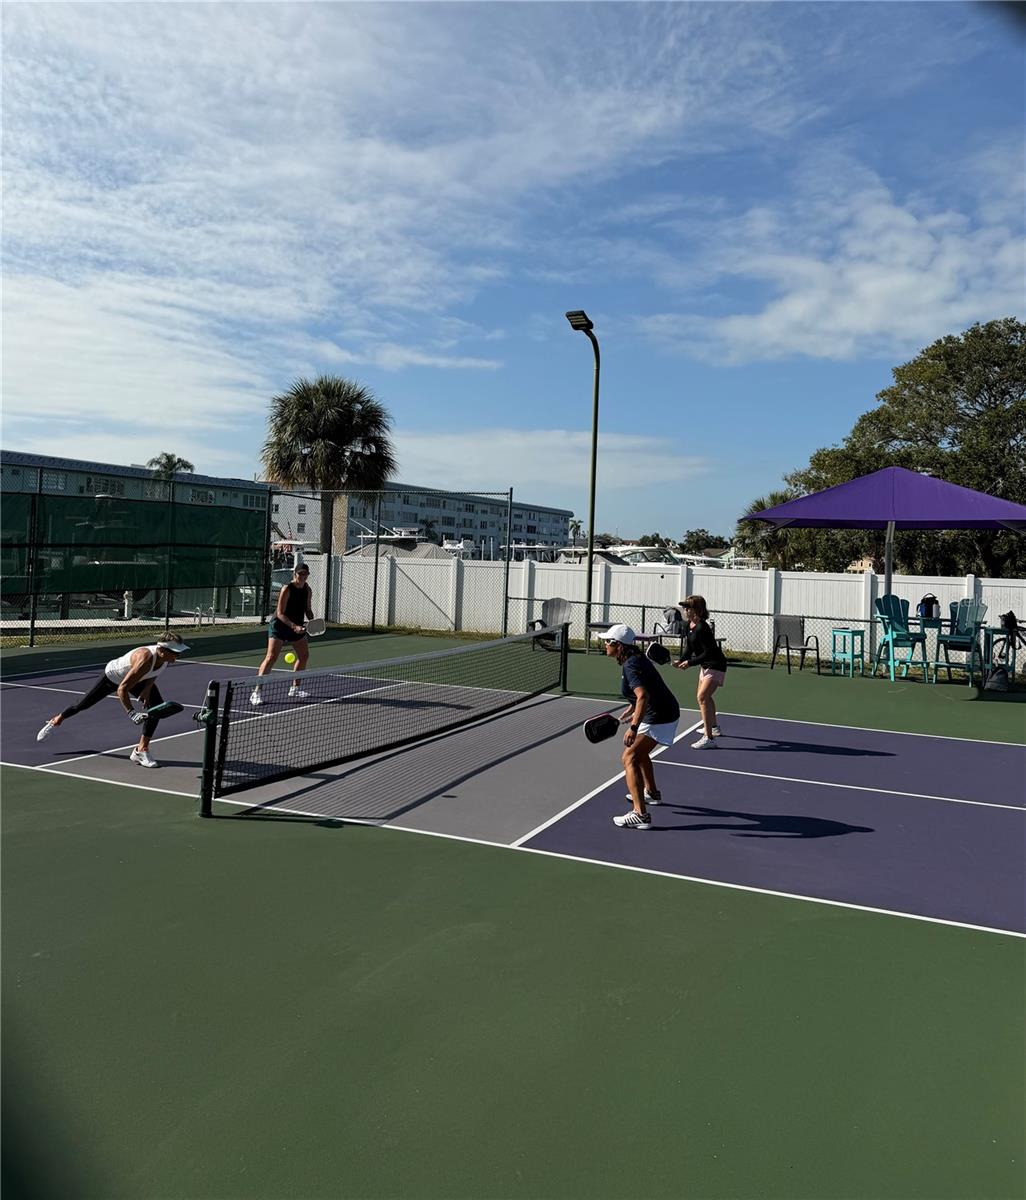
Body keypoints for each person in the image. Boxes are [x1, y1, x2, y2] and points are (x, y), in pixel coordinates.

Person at [35, 632, 189, 768]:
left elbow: (154, 673)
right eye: (175, 652)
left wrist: (147, 689)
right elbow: (122, 689)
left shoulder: (165, 659)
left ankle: (141, 750)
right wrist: (131, 712)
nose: (177, 656)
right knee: (82, 704)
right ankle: (56, 720)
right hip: (112, 678)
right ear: (161, 650)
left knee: (157, 707)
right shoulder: (145, 659)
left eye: (179, 653)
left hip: (138, 679)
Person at [603, 624, 680, 830]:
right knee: (640, 754)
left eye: (607, 641)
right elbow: (645, 691)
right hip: (660, 712)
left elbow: (643, 695)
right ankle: (652, 793)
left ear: (617, 645)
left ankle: (640, 814)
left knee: (629, 758)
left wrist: (634, 727)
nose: (604, 644)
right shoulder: (635, 659)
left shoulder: (630, 665)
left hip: (659, 717)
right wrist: (632, 709)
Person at [251, 562, 314, 706]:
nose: (303, 577)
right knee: (271, 657)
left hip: (297, 626)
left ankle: (295, 688)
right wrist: (294, 626)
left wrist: (313, 622)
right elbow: (280, 613)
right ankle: (256, 692)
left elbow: (308, 609)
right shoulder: (287, 588)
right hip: (280, 625)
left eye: (305, 574)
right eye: (300, 574)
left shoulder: (307, 590)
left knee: (304, 656)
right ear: (295, 574)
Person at [673, 594, 727, 749]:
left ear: (697, 609)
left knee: (702, 697)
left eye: (687, 607)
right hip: (705, 665)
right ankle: (714, 728)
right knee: (704, 698)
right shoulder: (687, 625)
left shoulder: (703, 627)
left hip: (716, 664)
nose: (684, 610)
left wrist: (689, 663)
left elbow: (708, 652)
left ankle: (708, 738)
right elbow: (690, 647)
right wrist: (681, 659)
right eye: (684, 607)